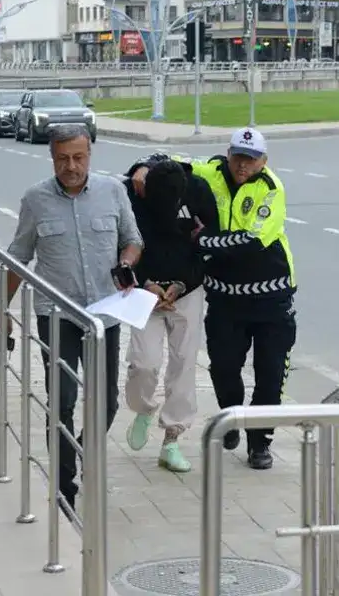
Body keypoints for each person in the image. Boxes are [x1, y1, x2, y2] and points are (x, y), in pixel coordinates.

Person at [130, 127, 296, 470]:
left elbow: (251, 241)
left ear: (263, 161)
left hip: (271, 295)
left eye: (251, 159)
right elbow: (170, 162)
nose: (242, 165)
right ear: (228, 153)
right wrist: (142, 167)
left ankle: (260, 443)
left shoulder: (271, 189)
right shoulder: (211, 171)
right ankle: (232, 418)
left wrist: (202, 242)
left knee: (270, 373)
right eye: (238, 156)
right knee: (223, 370)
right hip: (224, 297)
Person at [0, 123, 143, 514]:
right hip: (56, 314)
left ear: (89, 156)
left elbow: (133, 239)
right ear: (52, 158)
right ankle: (64, 488)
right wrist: (2, 309)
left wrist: (127, 262)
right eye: (63, 159)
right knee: (61, 400)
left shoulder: (113, 192)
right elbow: (18, 256)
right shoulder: (35, 200)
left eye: (78, 157)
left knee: (107, 403)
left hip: (104, 316)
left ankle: (83, 449)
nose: (71, 166)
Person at [121, 159, 219, 472]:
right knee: (143, 363)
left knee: (183, 365)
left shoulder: (198, 191)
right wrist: (146, 282)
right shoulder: (131, 192)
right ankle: (144, 408)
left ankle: (172, 438)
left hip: (186, 291)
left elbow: (210, 243)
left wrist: (182, 284)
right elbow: (120, 244)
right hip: (143, 290)